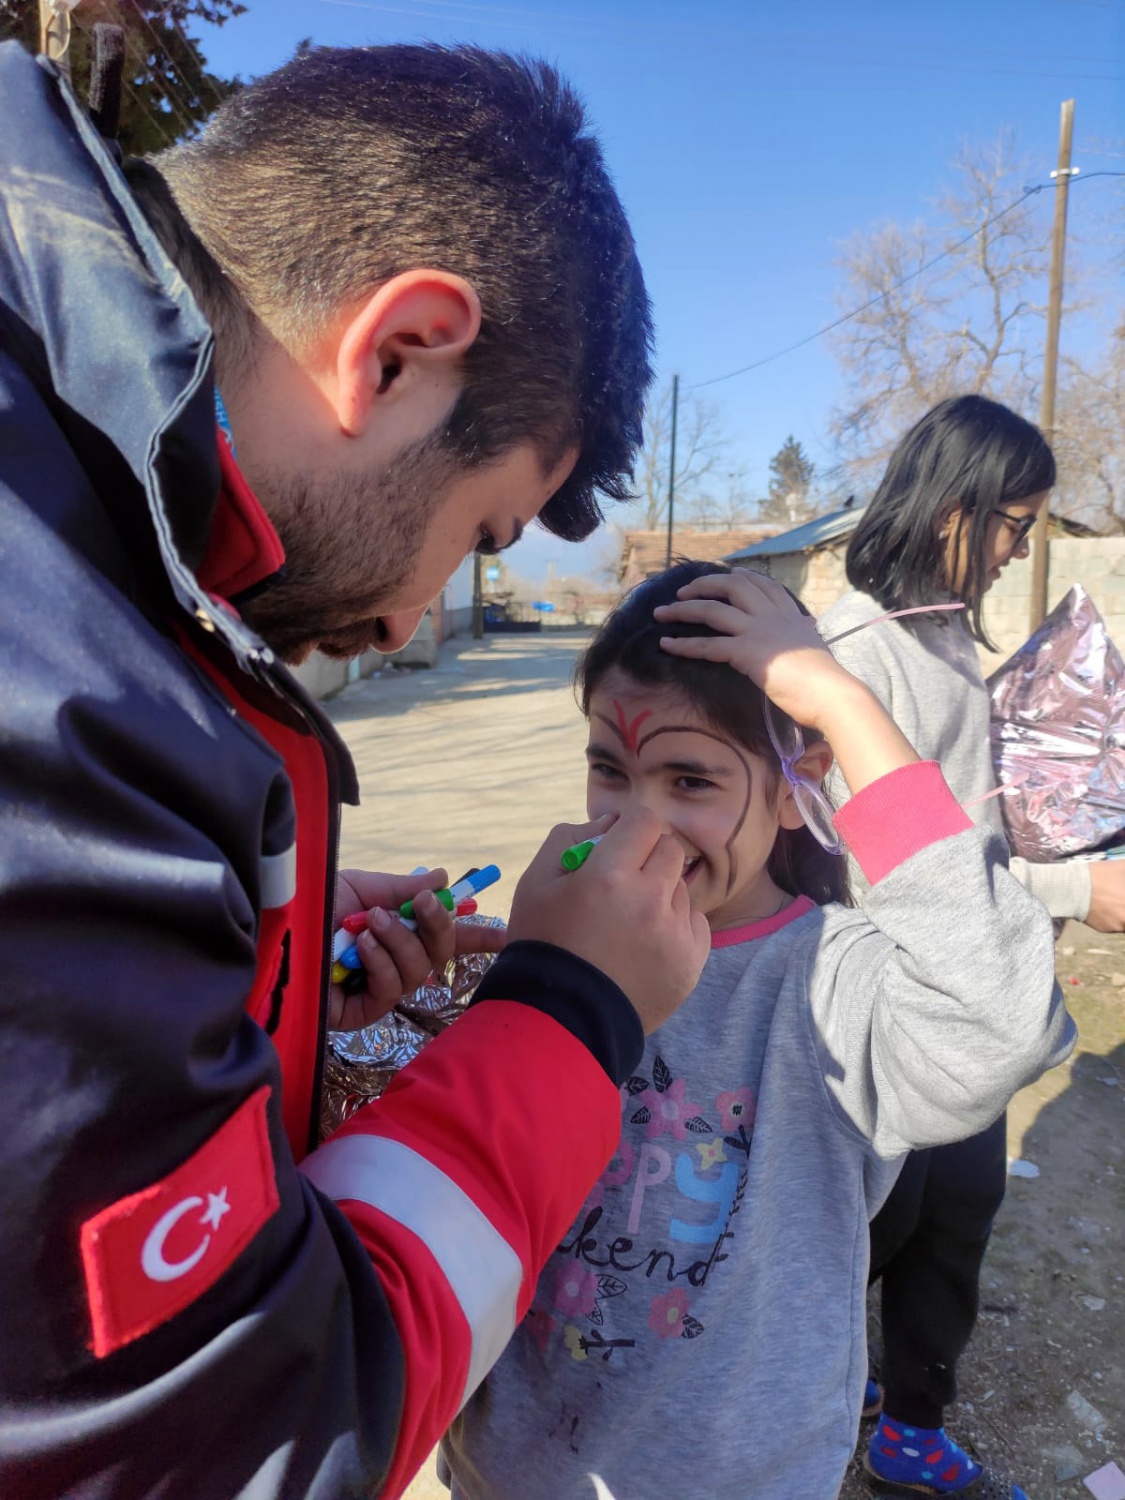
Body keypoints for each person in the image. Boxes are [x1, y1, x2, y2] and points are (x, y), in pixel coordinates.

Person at [0, 40, 713, 1499]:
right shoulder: (57, 663)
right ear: (397, 350)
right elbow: (252, 1434)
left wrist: (236, 970)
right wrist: (569, 1012)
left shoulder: (70, 496)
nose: (406, 620)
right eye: (485, 532)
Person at [440, 561, 1074, 1500]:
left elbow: (1000, 1014)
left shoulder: (833, 983)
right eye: (609, 770)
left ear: (793, 788)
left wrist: (836, 700)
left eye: (689, 779)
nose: (635, 824)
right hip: (511, 1467)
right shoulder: (553, 942)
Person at [820, 394, 1125, 1500]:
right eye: (1012, 523)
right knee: (883, 1220)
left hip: (969, 987)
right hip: (905, 1003)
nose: (1015, 550)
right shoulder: (858, 653)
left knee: (955, 1220)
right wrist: (1073, 886)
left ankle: (907, 1428)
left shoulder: (942, 635)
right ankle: (843, 1377)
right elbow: (889, 860)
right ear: (955, 507)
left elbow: (969, 816)